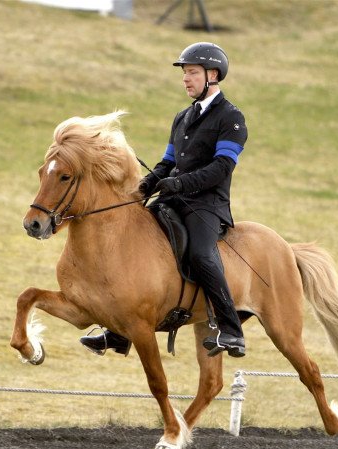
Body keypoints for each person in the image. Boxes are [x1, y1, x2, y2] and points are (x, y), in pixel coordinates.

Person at [80, 42, 248, 358]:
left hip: (206, 205)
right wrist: (144, 188)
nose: (186, 79)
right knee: (134, 243)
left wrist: (180, 182)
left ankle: (232, 330)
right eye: (185, 74)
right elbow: (166, 163)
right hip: (174, 199)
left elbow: (222, 167)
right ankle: (118, 332)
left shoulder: (231, 117)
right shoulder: (182, 118)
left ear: (213, 75)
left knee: (200, 253)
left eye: (193, 73)